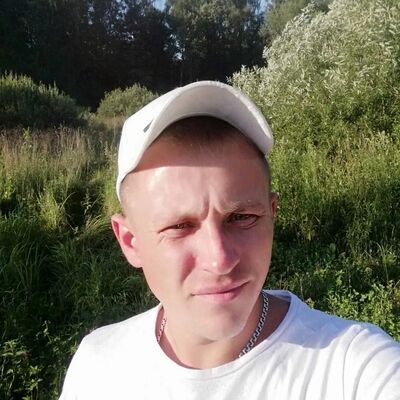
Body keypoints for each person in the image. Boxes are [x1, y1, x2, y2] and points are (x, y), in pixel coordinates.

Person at [59, 81, 400, 399]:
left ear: (271, 215)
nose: (219, 259)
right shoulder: (97, 368)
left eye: (241, 217)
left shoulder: (355, 368)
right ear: (130, 242)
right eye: (180, 226)